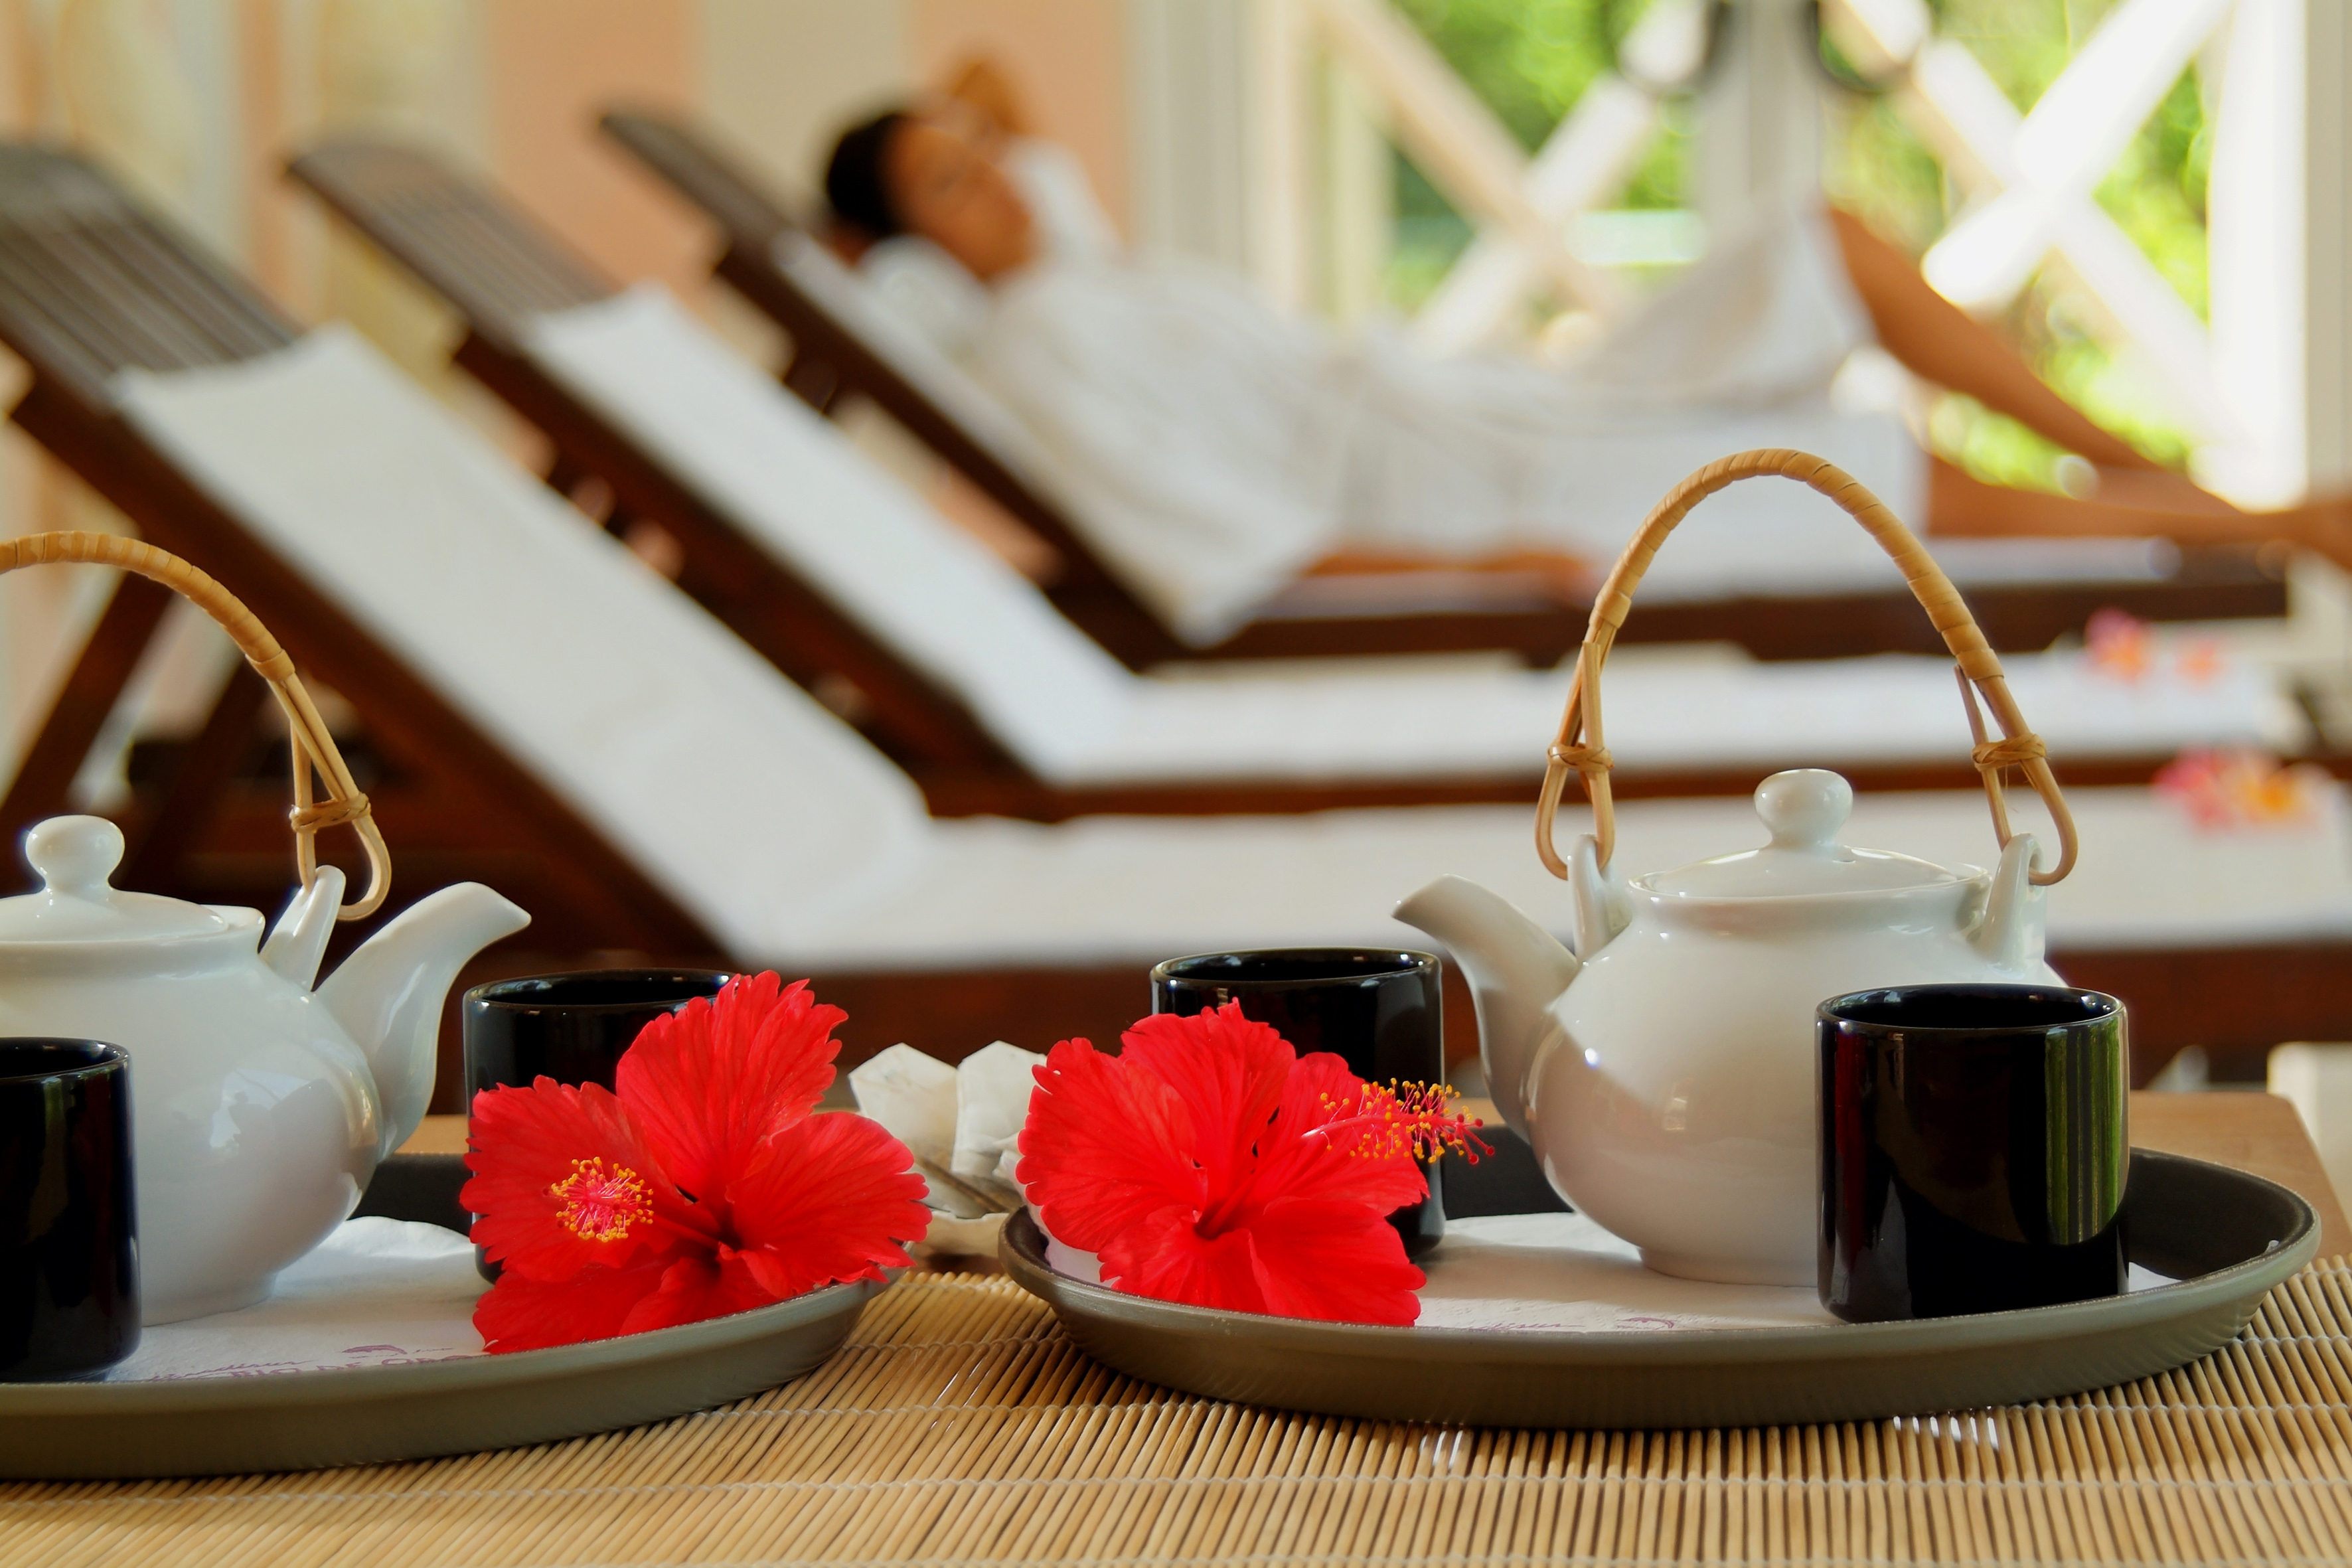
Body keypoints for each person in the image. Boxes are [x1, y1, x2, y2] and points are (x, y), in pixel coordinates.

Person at [821, 98, 1930, 646]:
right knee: (1842, 467)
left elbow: (1013, 126)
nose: (1004, 179)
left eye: (984, 152)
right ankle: (2117, 525)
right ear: (906, 256)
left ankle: (2118, 483)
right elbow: (1239, 553)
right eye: (951, 182)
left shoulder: (1088, 277)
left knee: (1817, 244)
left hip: (1473, 409)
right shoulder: (1034, 353)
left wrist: (975, 148)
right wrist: (1487, 567)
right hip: (1464, 492)